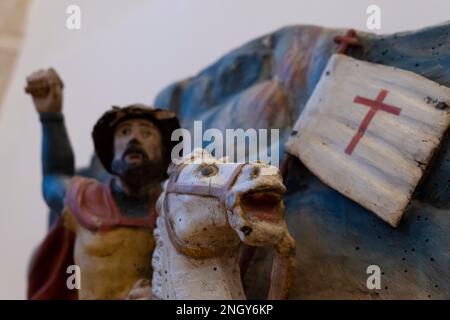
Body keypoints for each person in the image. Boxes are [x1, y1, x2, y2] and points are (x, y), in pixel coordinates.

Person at [25, 68, 180, 299]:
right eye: (124, 132)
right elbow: (53, 177)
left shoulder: (175, 215)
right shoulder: (83, 199)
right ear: (111, 151)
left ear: (164, 152)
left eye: (146, 133)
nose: (133, 138)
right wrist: (51, 117)